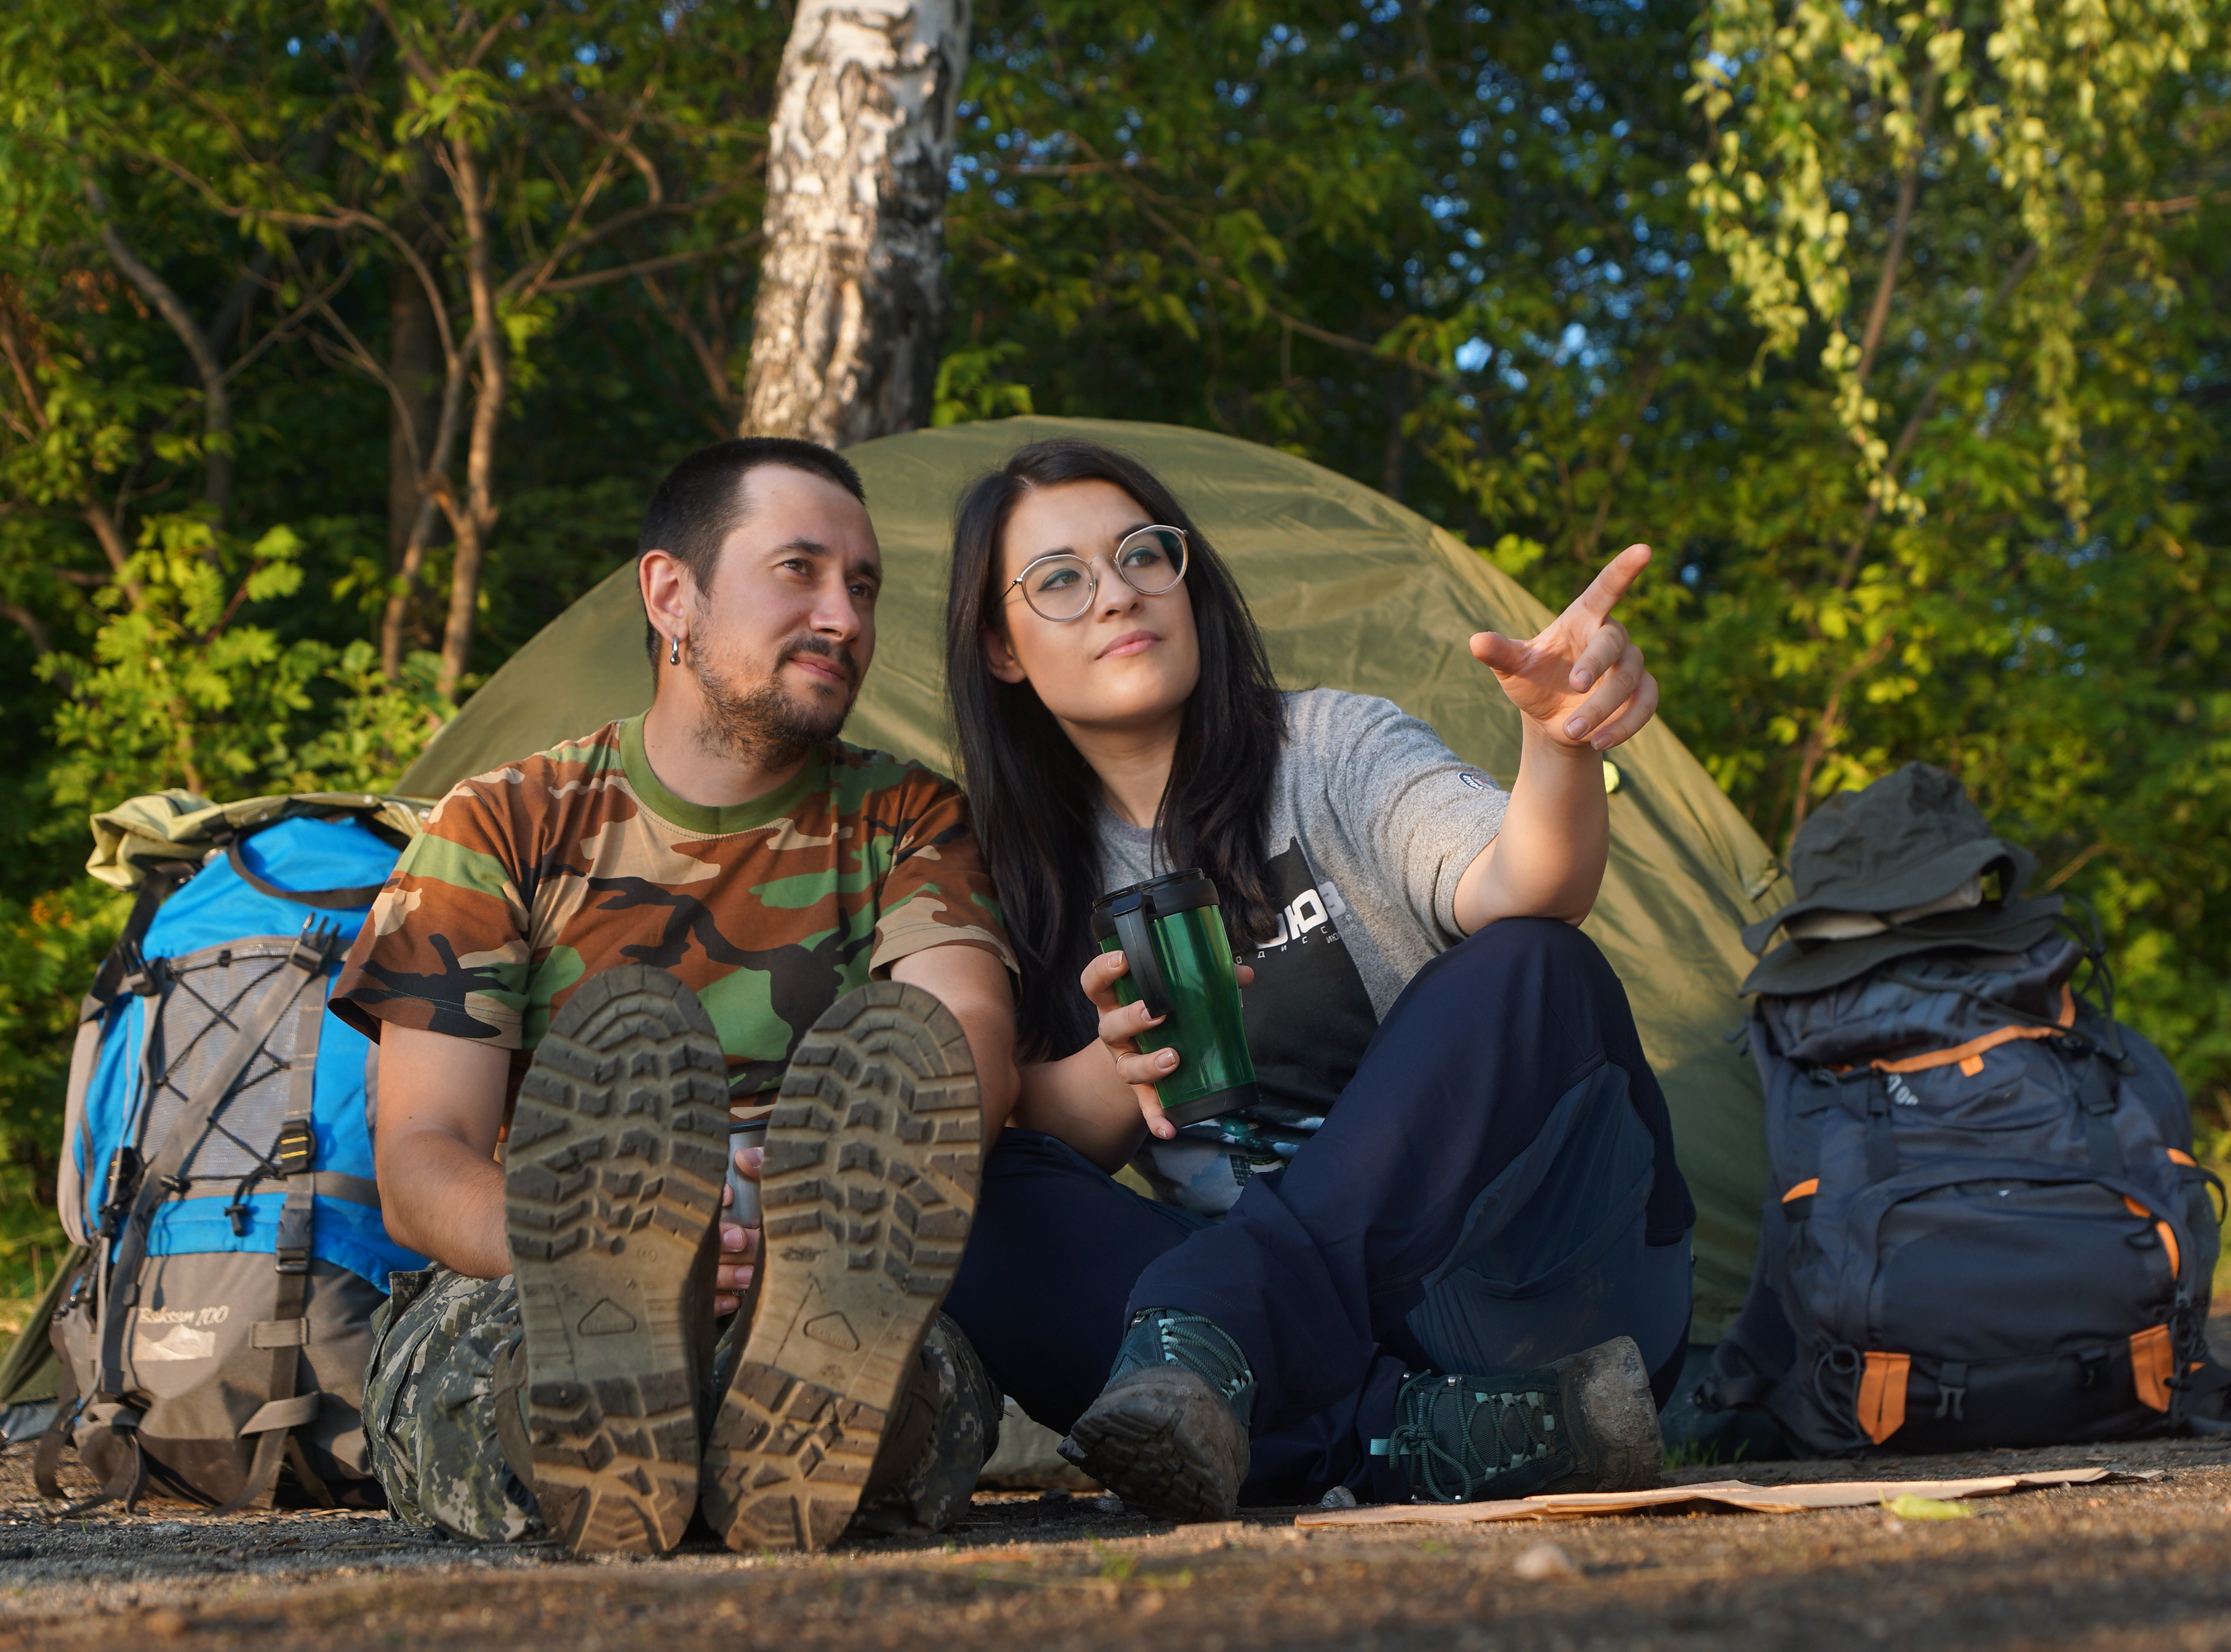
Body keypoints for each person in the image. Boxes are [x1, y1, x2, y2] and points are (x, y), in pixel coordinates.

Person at [937, 439, 1696, 1515]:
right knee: (961, 1197)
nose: (1116, 594)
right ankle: (1413, 1440)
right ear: (1000, 648)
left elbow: (1522, 880)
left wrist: (1559, 742)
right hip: (1362, 1374)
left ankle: (1233, 1335)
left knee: (1535, 960)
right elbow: (1046, 1146)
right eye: (1059, 579)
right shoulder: (1019, 873)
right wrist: (1119, 1065)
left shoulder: (1329, 746)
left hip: (1535, 1291)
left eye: (1143, 554)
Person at [330, 438, 1021, 1555]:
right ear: (671, 596)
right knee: (489, 1370)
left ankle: (767, 1429)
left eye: (863, 587)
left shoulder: (912, 820)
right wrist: (607, 1254)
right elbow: (420, 1160)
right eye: (799, 570)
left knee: (916, 1376)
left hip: (824, 1291)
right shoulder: (502, 823)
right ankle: (607, 1428)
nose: (844, 617)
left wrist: (804, 1225)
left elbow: (962, 1040)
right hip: (555, 1278)